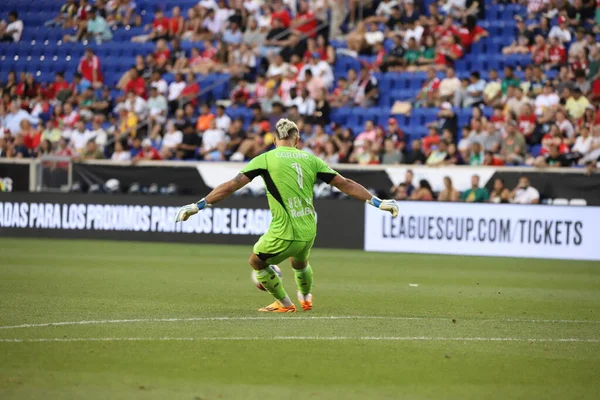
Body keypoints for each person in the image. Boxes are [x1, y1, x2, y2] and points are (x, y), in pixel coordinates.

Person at [174, 118, 399, 312]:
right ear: (297, 139)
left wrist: (199, 205)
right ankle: (306, 298)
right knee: (299, 262)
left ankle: (284, 303)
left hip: (286, 230)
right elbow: (346, 184)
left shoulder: (266, 159)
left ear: (274, 140)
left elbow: (232, 186)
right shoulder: (311, 159)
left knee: (256, 261)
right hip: (309, 228)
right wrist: (378, 202)